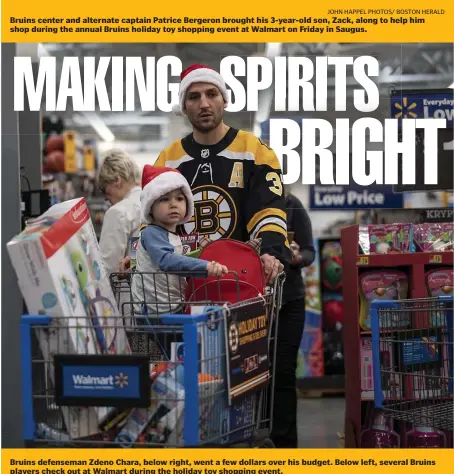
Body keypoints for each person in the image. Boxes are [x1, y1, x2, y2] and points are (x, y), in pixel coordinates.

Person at [155, 64, 302, 446]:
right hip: (196, 296)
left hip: (253, 292)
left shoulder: (254, 150)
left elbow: (269, 209)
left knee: (270, 383)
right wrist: (137, 251)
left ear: (224, 99)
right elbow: (151, 217)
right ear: (184, 106)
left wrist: (272, 253)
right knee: (202, 386)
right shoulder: (168, 159)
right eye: (194, 96)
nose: (204, 103)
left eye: (211, 94)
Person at [130, 164, 228, 320]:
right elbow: (167, 260)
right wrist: (205, 266)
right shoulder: (151, 233)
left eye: (180, 198)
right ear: (150, 207)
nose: (173, 204)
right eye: (164, 199)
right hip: (155, 313)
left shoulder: (171, 234)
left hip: (169, 307)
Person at [270, 189, 315, 448]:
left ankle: (285, 445)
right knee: (255, 372)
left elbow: (309, 251)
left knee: (284, 373)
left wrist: (298, 257)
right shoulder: (245, 204)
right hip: (253, 302)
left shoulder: (291, 205)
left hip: (290, 300)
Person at [98, 149, 142, 278]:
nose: (108, 199)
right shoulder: (153, 202)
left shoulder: (118, 212)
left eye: (106, 191)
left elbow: (108, 268)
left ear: (117, 180)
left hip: (128, 294)